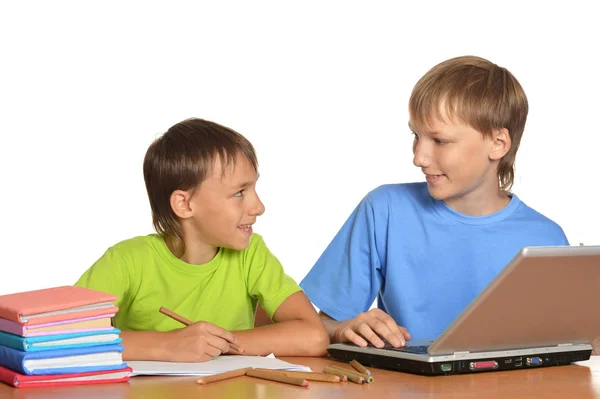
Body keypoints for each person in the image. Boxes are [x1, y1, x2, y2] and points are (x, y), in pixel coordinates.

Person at [300, 55, 570, 350]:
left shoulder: (546, 239)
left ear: (497, 144)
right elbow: (318, 327)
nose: (419, 157)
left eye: (439, 141)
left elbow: (568, 342)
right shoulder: (385, 211)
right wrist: (344, 329)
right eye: (416, 135)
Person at [76, 118, 328, 361]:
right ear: (184, 204)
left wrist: (219, 343)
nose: (259, 207)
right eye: (239, 192)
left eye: (253, 189)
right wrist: (168, 345)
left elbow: (314, 336)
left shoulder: (252, 254)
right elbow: (62, 337)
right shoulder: (126, 260)